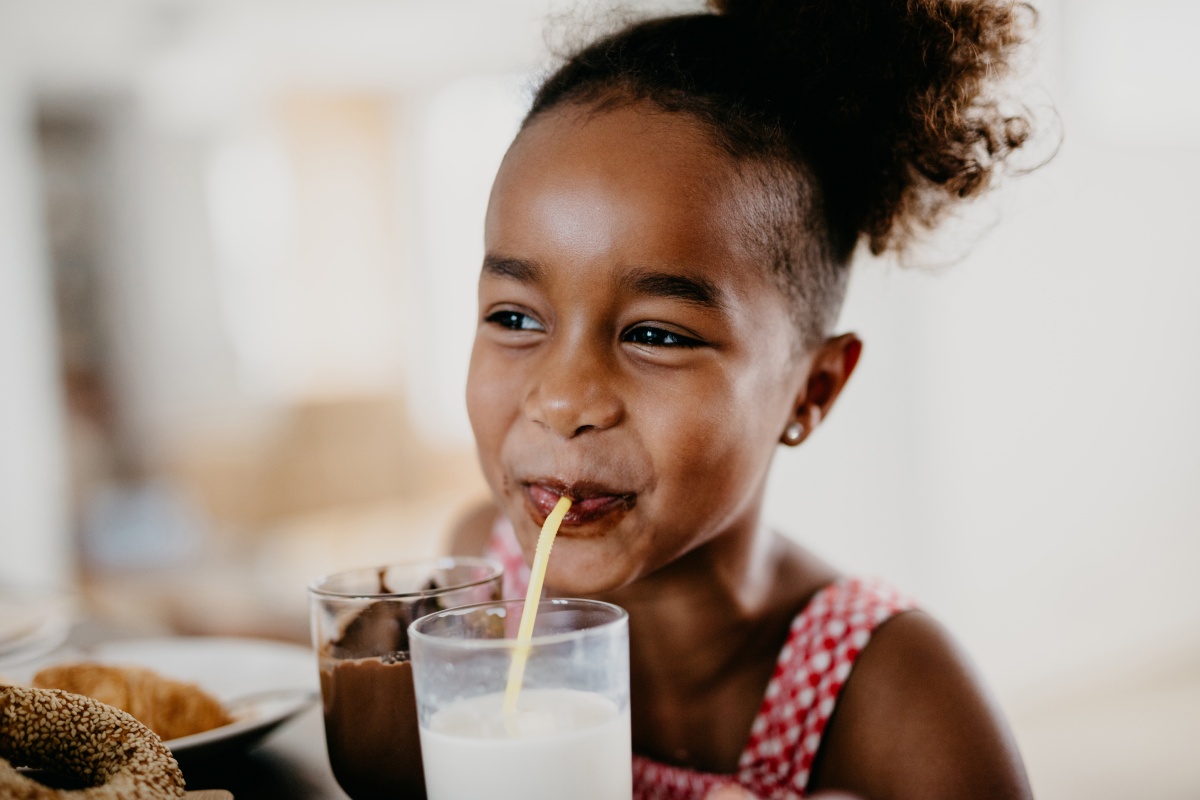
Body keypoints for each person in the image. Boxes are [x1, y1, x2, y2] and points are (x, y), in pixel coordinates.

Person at [451, 0, 1040, 797]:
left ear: (811, 390)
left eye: (656, 334)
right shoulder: (479, 587)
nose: (561, 401)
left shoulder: (902, 705)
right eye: (515, 318)